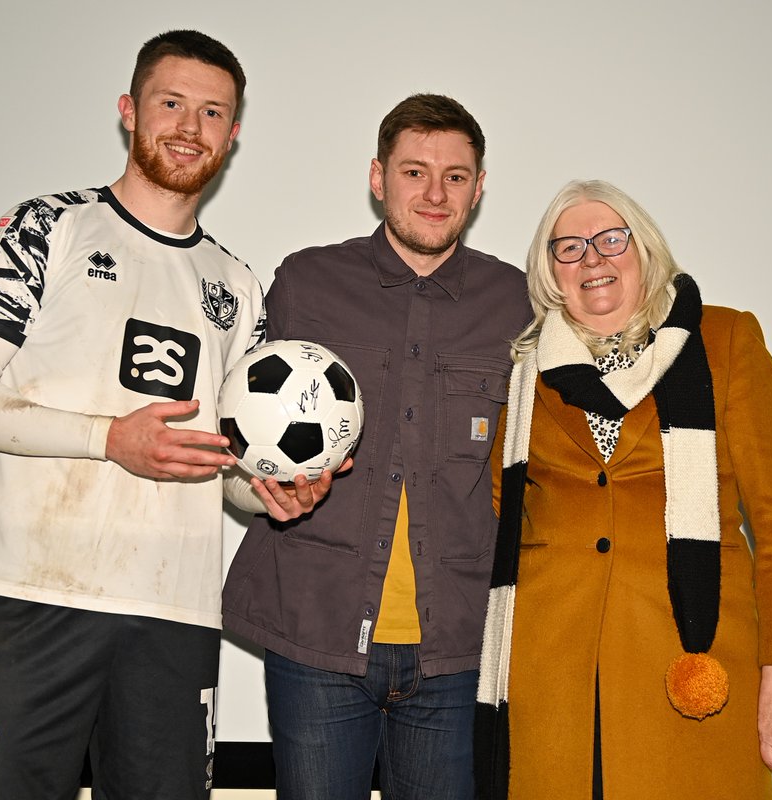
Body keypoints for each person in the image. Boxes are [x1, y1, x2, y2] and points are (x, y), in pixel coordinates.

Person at [0, 29, 331, 800]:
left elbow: (220, 467)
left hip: (174, 615)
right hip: (36, 599)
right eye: (170, 103)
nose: (190, 127)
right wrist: (107, 440)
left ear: (233, 134)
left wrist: (273, 490)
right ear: (129, 111)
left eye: (213, 113)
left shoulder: (237, 287)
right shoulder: (46, 228)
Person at [222, 94, 532, 799]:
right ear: (377, 177)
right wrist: (265, 491)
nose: (434, 192)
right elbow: (239, 446)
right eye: (414, 171)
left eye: (456, 176)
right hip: (316, 635)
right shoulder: (307, 283)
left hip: (456, 648)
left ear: (479, 188)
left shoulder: (515, 303)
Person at [474, 179, 772, 799]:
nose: (593, 259)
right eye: (569, 248)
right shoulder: (529, 376)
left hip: (689, 667)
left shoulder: (727, 341)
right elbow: (505, 512)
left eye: (610, 239)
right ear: (550, 275)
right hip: (553, 684)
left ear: (645, 250)